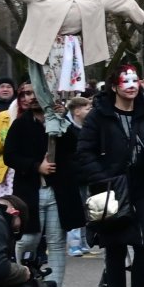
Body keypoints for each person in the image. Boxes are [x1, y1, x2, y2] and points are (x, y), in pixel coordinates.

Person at [76, 62, 144, 287]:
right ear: (115, 86)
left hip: (143, 187)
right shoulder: (98, 116)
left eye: (135, 80)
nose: (132, 86)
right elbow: (85, 152)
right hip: (111, 189)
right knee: (115, 247)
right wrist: (102, 177)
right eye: (126, 81)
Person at [0, 82, 69, 287]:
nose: (33, 97)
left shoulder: (58, 122)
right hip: (30, 191)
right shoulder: (21, 124)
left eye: (38, 92)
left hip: (56, 191)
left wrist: (63, 119)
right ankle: (22, 282)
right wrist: (36, 166)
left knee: (56, 241)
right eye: (28, 94)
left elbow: (75, 146)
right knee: (29, 238)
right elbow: (10, 156)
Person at [62, 96, 91, 258]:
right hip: (73, 175)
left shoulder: (87, 127)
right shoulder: (67, 129)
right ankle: (74, 243)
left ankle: (83, 240)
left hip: (85, 174)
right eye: (87, 108)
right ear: (77, 111)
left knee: (86, 208)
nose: (90, 111)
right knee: (76, 208)